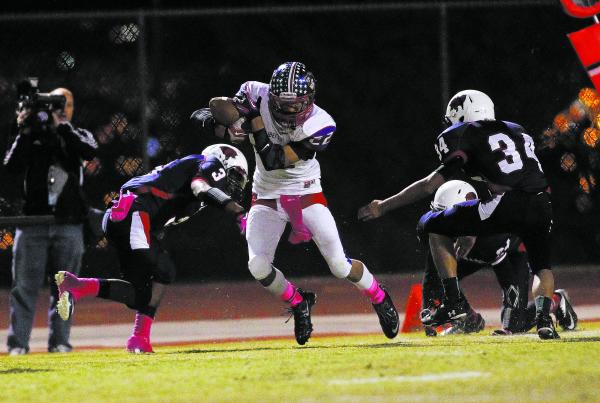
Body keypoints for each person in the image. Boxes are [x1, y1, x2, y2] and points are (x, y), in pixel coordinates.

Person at [195, 61, 399, 345]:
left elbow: (274, 159)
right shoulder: (256, 93)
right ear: (272, 97)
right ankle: (298, 301)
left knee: (339, 266)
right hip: (265, 194)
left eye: (296, 105)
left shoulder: (321, 123)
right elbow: (219, 108)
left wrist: (252, 119)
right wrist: (222, 119)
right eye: (282, 104)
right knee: (257, 266)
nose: (289, 111)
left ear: (309, 99)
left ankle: (378, 295)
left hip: (305, 194)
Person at [358, 89, 560, 339]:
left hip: (508, 203)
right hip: (542, 202)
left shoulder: (467, 133)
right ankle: (544, 320)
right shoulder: (516, 129)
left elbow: (430, 184)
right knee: (542, 266)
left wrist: (384, 205)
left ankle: (453, 303)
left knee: (433, 224)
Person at [55, 144, 248, 353]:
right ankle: (139, 337)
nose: (235, 184)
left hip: (124, 216)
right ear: (223, 162)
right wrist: (236, 211)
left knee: (142, 294)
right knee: (165, 270)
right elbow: (199, 187)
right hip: (134, 212)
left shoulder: (186, 174)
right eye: (235, 176)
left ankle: (77, 287)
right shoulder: (208, 163)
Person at [3, 86, 97, 355]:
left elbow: (89, 152)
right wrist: (25, 128)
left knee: (65, 290)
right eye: (55, 103)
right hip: (33, 223)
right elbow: (11, 166)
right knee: (24, 287)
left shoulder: (76, 134)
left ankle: (60, 342)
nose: (60, 108)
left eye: (65, 104)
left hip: (68, 222)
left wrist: (63, 127)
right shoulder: (30, 133)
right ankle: (18, 345)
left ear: (72, 108)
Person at [421, 180, 578, 337]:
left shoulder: (490, 237)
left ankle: (556, 300)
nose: (441, 224)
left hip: (513, 252)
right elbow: (431, 280)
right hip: (479, 249)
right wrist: (429, 319)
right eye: (439, 217)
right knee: (441, 279)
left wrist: (508, 328)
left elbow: (509, 283)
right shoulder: (440, 235)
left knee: (517, 323)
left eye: (447, 217)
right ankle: (469, 320)